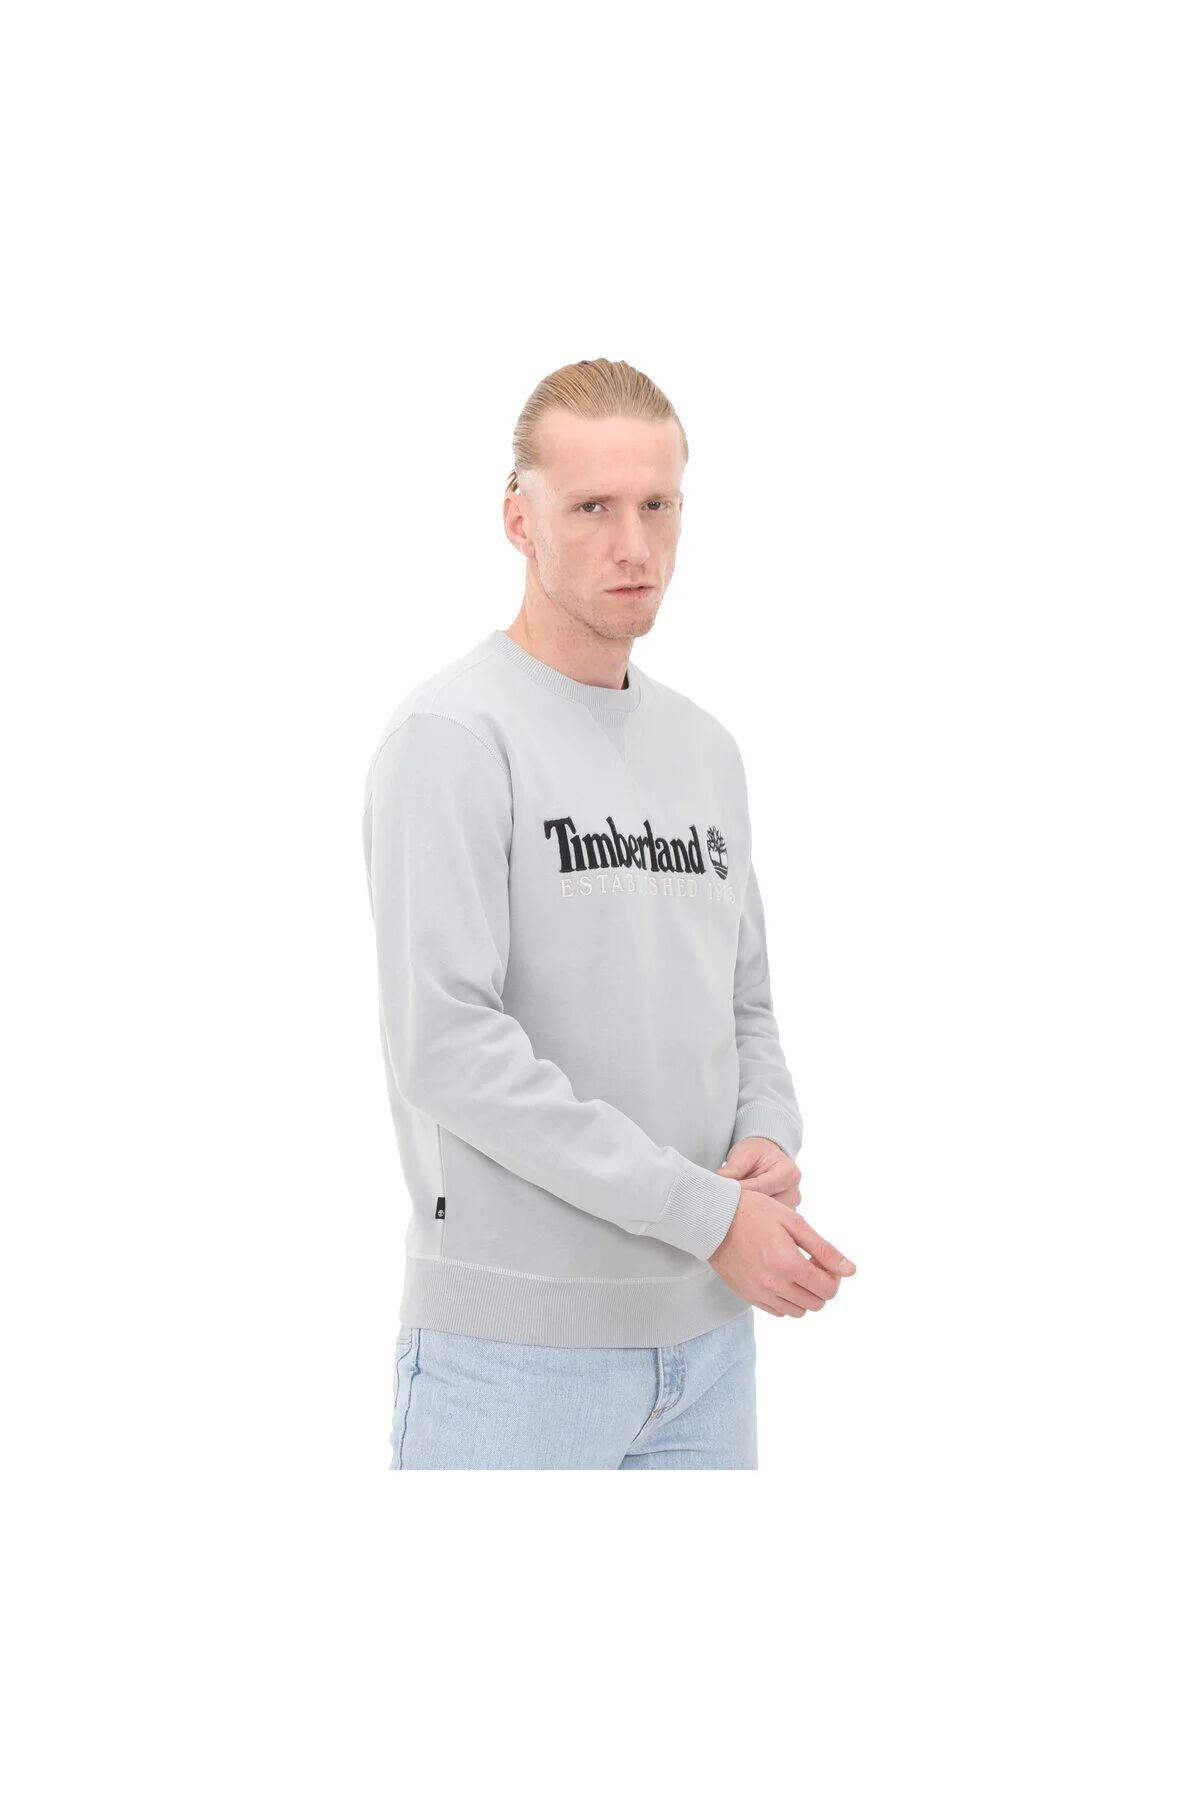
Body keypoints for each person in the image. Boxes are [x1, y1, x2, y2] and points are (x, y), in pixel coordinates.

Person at [361, 357, 856, 1469]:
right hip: (512, 1359)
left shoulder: (707, 750)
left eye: (657, 506)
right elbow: (448, 1048)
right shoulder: (453, 739)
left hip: (712, 1348)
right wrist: (707, 1215)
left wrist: (767, 1136)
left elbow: (745, 1004)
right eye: (591, 508)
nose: (634, 546)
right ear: (518, 518)